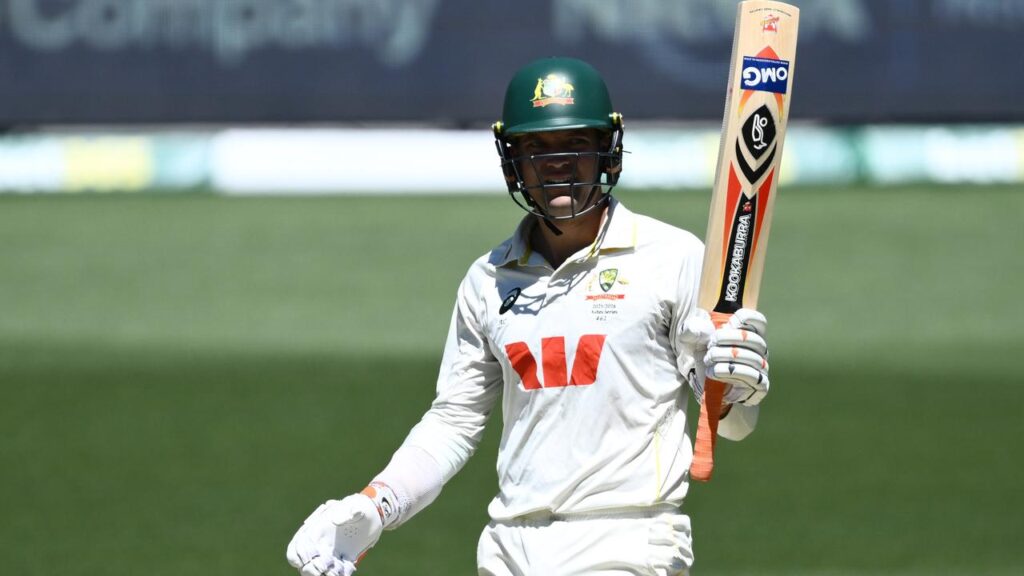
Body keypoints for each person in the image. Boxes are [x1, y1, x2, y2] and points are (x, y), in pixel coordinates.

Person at [286, 56, 771, 576]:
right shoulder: (488, 278)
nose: (556, 163)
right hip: (508, 547)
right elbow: (454, 421)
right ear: (510, 158)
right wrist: (376, 505)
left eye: (574, 146)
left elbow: (733, 424)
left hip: (629, 539)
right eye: (536, 148)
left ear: (608, 151)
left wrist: (736, 387)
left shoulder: (672, 257)